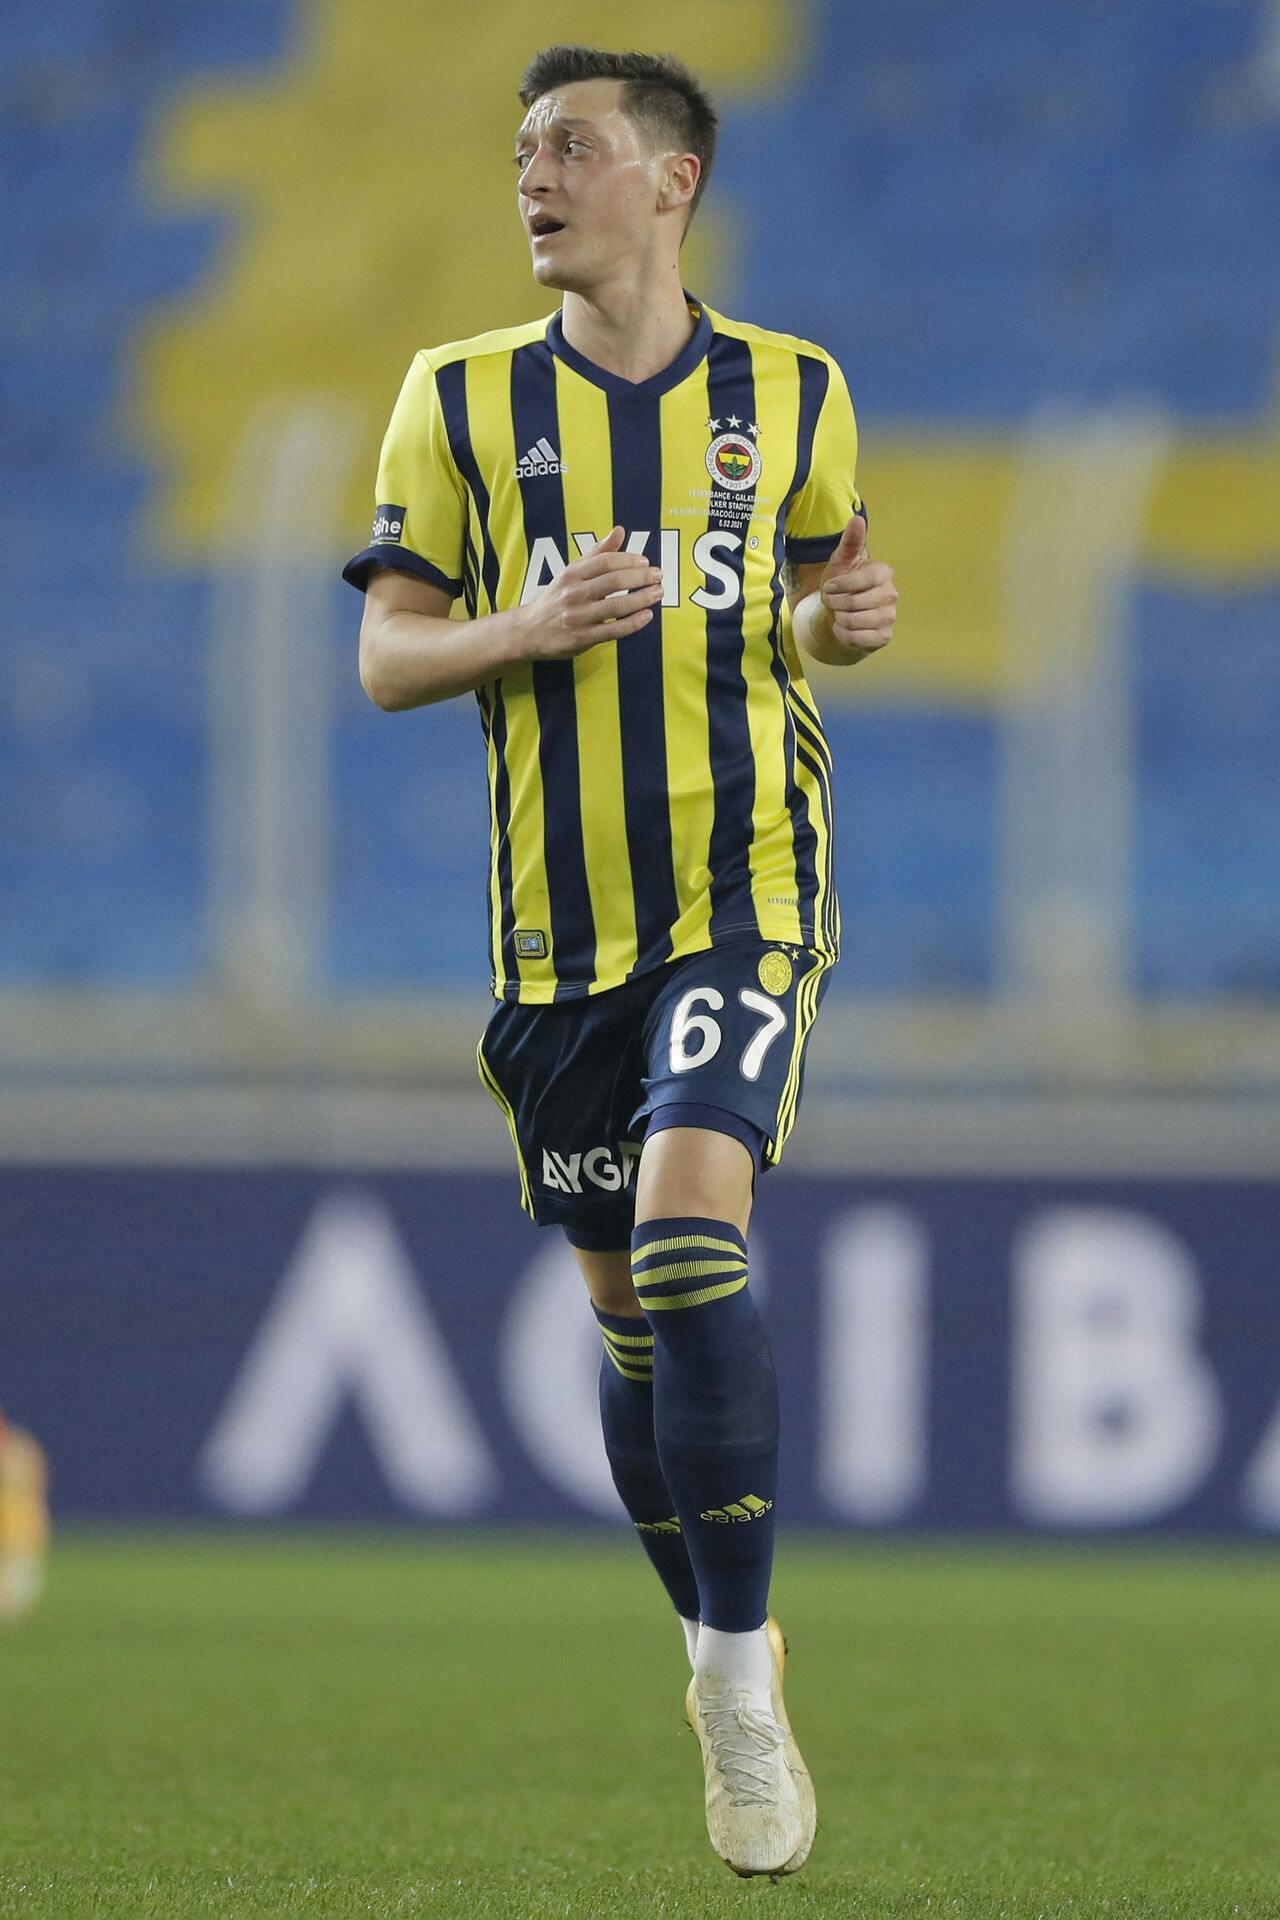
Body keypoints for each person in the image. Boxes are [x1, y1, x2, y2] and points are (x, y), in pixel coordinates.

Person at [343, 43, 897, 1878]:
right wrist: (528, 621)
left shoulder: (793, 389)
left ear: (670, 181)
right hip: (555, 939)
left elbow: (822, 596)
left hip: (747, 886)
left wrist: (846, 620)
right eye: (518, 148)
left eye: (568, 144)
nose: (532, 173)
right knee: (632, 1326)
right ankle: (710, 1646)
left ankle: (741, 1690)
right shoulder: (456, 393)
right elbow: (388, 659)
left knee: (684, 1238)